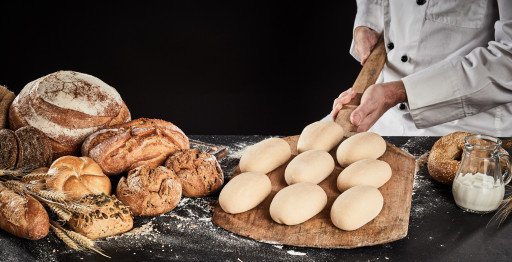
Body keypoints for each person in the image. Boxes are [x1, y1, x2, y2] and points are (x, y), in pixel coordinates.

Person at [330, 0, 512, 136]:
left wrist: (396, 93)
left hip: (467, 131)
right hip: (381, 116)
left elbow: (508, 62)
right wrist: (369, 20)